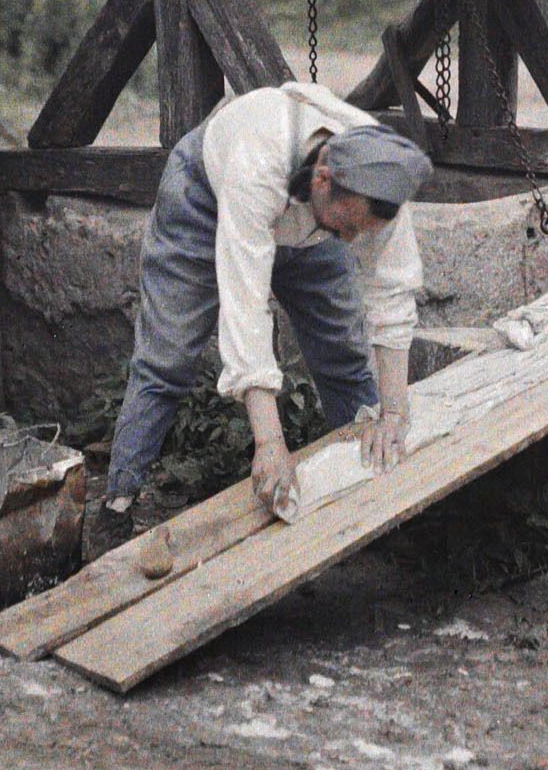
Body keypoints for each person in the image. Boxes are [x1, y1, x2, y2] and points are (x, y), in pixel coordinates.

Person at [86, 82, 433, 560]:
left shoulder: (379, 179)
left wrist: (394, 412)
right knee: (168, 358)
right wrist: (270, 443)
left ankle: (373, 493)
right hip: (205, 200)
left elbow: (392, 293)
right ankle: (118, 503)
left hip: (312, 224)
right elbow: (244, 305)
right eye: (350, 228)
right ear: (324, 177)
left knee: (342, 356)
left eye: (362, 231)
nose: (355, 242)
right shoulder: (256, 167)